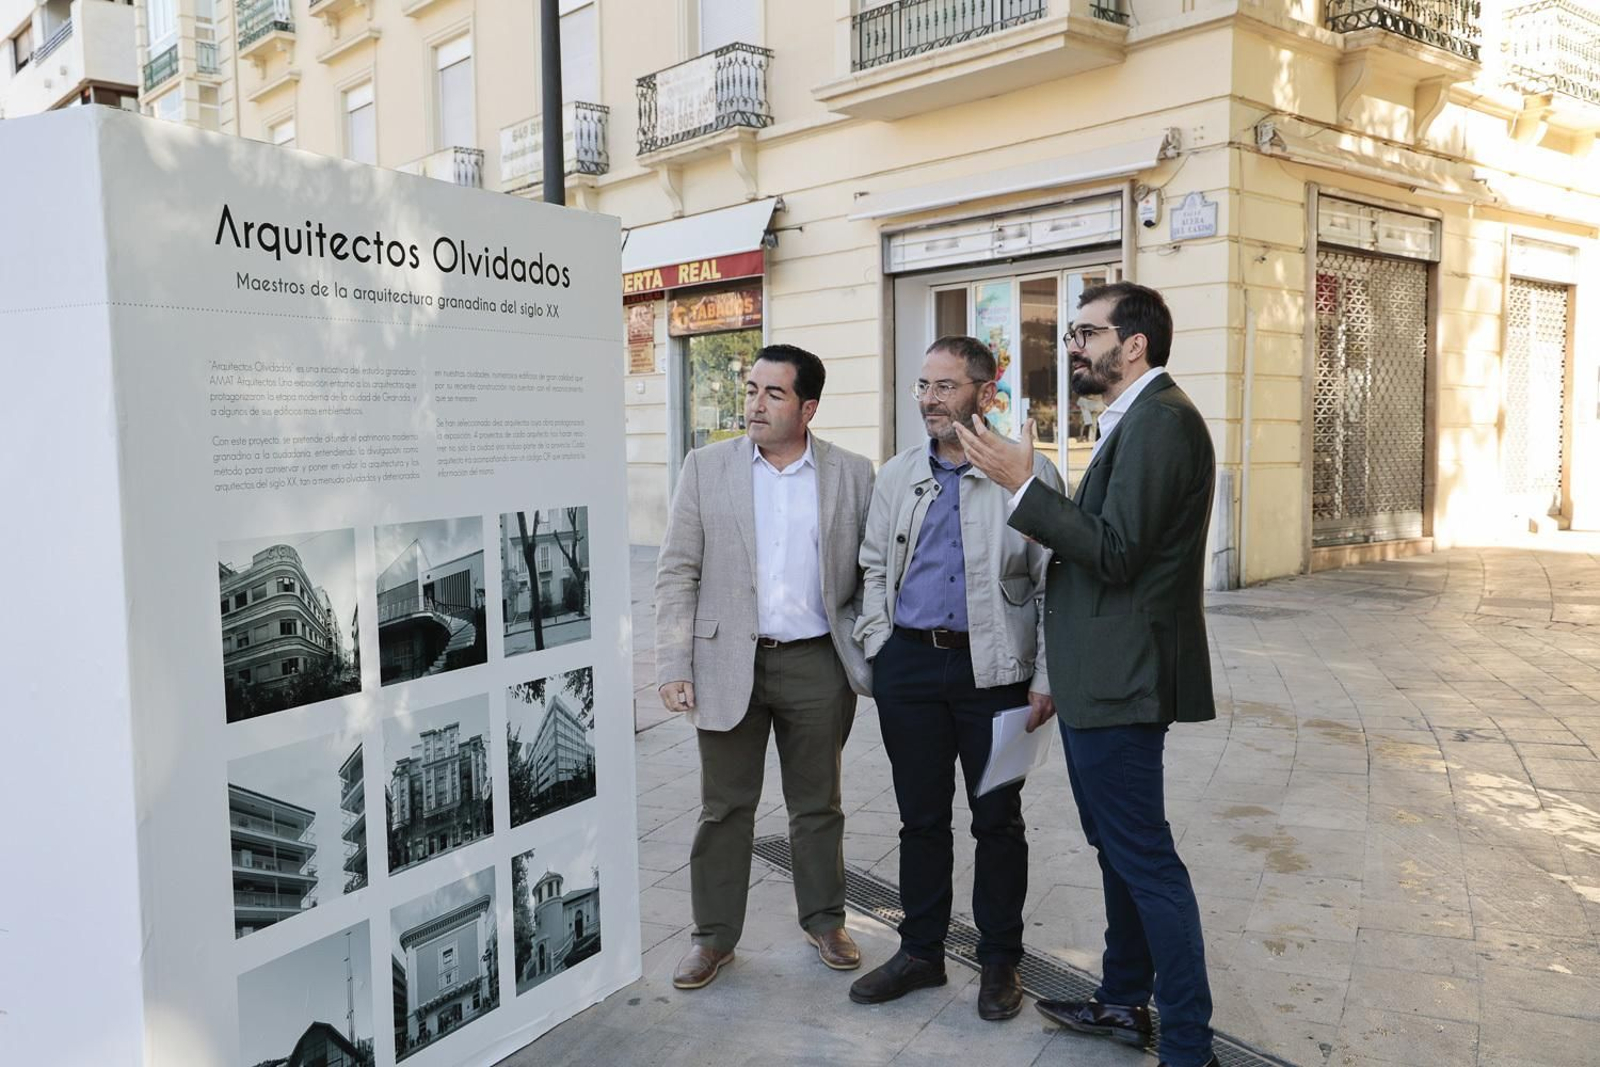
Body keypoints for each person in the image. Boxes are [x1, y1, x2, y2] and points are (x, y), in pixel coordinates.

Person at [953, 282, 1218, 1067]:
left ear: (1133, 344)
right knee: (1117, 847)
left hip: (1124, 674)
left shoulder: (1163, 423)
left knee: (1143, 856)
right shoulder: (1135, 419)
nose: (1073, 345)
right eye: (1073, 332)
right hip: (1102, 671)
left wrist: (1022, 486)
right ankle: (1122, 999)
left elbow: (1116, 551)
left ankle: (1190, 1044)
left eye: (1086, 332)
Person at [848, 336, 1062, 1021]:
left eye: (944, 385)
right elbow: (874, 564)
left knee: (997, 818)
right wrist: (880, 647)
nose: (929, 398)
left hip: (996, 673)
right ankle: (921, 952)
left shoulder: (1028, 473)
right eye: (922, 385)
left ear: (984, 393)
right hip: (908, 667)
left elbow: (1059, 581)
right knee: (920, 818)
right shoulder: (898, 472)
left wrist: (1046, 675)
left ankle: (1000, 959)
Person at [654, 344, 875, 990]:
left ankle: (826, 919)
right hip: (729, 660)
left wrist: (867, 650)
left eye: (773, 394)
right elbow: (677, 569)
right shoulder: (707, 467)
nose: (754, 403)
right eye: (750, 389)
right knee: (724, 807)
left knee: (817, 804)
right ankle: (713, 938)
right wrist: (674, 658)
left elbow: (871, 575)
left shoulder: (853, 474)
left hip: (816, 662)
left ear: (808, 406)